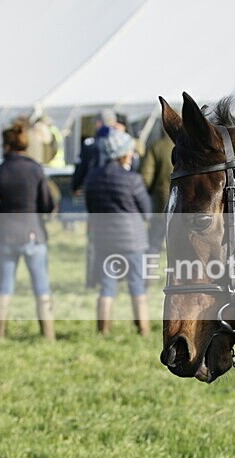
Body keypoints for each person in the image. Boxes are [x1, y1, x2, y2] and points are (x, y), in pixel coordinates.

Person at [0, 121, 56, 340]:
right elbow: (47, 204)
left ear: (6, 145)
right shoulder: (35, 169)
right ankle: (48, 335)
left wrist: (1, 209)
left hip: (5, 234)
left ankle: (0, 333)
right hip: (33, 233)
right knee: (41, 286)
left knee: (4, 286)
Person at [85, 129, 151, 336]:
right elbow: (147, 211)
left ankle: (103, 330)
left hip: (104, 240)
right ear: (123, 153)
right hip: (132, 240)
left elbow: (90, 207)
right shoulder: (132, 179)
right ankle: (143, 329)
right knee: (136, 284)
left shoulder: (93, 178)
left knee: (107, 286)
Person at [140, 132, 173, 254]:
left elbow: (146, 177)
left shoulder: (156, 147)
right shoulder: (191, 146)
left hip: (161, 202)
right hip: (187, 205)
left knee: (153, 244)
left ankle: (148, 271)